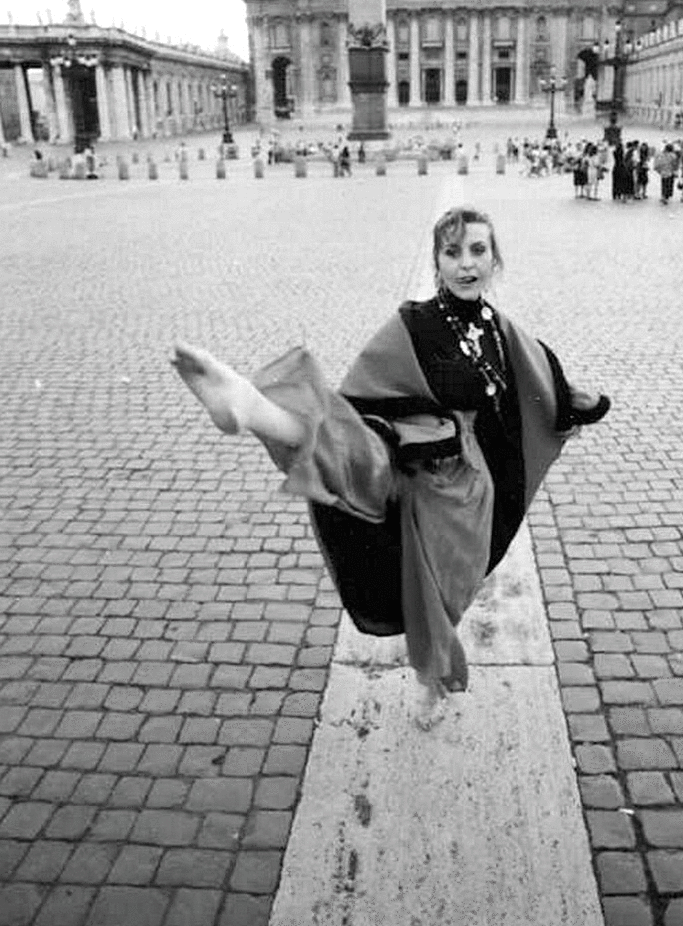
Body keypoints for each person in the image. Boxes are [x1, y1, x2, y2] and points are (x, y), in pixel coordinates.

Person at [172, 207, 610, 726]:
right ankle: (251, 406)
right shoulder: (413, 324)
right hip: (415, 472)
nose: (466, 264)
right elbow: (358, 398)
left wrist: (570, 409)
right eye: (453, 253)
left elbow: (543, 379)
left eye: (477, 251)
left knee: (448, 598)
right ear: (436, 261)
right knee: (350, 451)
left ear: (496, 259)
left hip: (473, 497)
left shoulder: (501, 328)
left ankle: (431, 674)